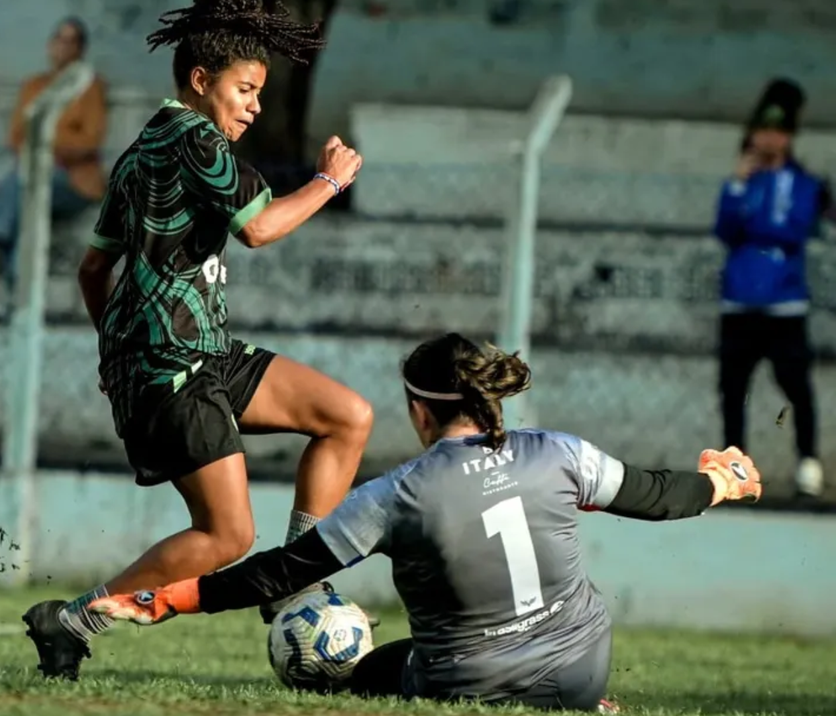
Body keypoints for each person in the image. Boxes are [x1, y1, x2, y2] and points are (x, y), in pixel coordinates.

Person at [89, 332, 765, 713]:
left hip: (463, 683)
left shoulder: (396, 495)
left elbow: (279, 573)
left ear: (419, 412)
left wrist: (168, 598)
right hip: (581, 673)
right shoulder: (559, 453)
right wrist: (721, 481)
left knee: (356, 674)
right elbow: (654, 494)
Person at [22, 0, 370, 682]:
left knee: (345, 417)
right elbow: (261, 227)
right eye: (246, 91)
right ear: (203, 79)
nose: (254, 109)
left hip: (194, 353)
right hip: (173, 363)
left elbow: (94, 267)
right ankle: (79, 617)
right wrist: (330, 180)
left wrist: (112, 352)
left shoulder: (140, 149)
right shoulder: (197, 141)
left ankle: (296, 579)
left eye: (260, 95)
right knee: (228, 535)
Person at [715, 77, 830, 499]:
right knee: (732, 388)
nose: (769, 138)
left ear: (788, 137)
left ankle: (808, 461)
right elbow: (725, 229)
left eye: (778, 131)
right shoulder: (743, 180)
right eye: (763, 130)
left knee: (796, 385)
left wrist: (753, 223)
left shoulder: (804, 183)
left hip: (784, 303)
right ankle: (734, 468)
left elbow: (793, 228)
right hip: (739, 301)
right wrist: (738, 185)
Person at [0, 16, 107, 302]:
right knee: (25, 211)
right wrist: (48, 146)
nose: (64, 47)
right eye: (59, 39)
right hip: (35, 172)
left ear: (81, 49)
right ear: (49, 45)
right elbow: (17, 137)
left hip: (73, 180)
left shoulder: (90, 88)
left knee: (20, 186)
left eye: (72, 41)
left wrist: (47, 144)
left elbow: (89, 141)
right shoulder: (34, 86)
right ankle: (14, 292)